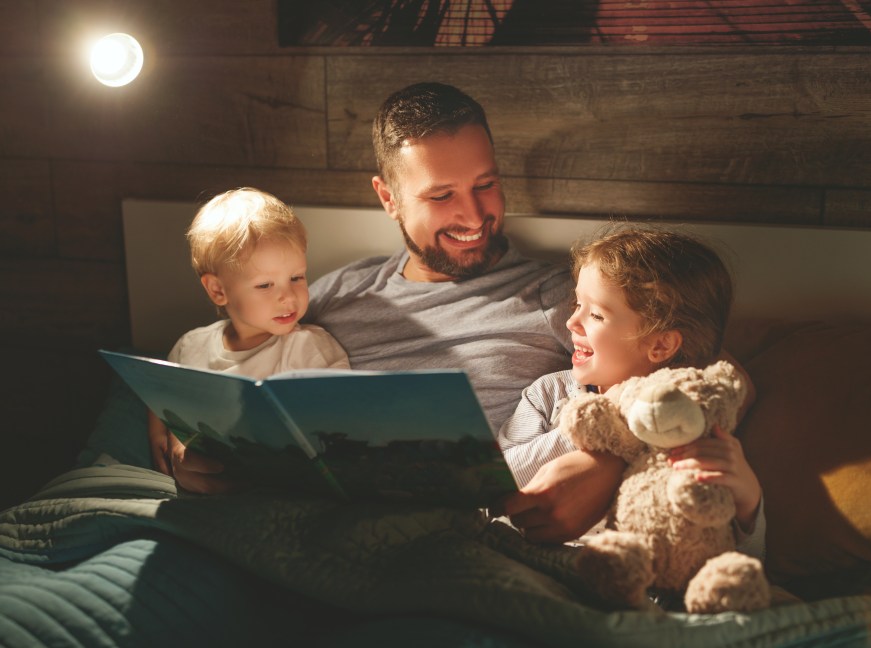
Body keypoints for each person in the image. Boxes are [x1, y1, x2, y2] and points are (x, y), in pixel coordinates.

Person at [161, 82, 754, 545]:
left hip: (457, 531)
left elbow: (712, 371)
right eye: (441, 195)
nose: (473, 215)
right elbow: (217, 355)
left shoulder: (558, 297)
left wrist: (600, 459)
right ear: (388, 198)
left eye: (486, 184)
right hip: (302, 517)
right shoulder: (330, 294)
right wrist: (174, 435)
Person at [496, 228, 764, 556]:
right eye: (577, 304)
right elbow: (499, 478)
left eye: (595, 314)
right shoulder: (551, 392)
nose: (572, 323)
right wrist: (606, 415)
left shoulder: (696, 417)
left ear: (661, 344)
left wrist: (749, 499)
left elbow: (739, 555)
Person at [147, 187, 350, 488]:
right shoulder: (191, 346)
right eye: (265, 285)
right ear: (217, 290)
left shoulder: (308, 347)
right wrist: (165, 440)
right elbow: (157, 393)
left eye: (296, 277)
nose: (288, 296)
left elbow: (345, 420)